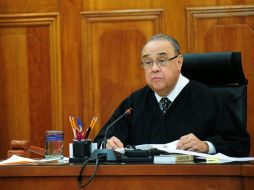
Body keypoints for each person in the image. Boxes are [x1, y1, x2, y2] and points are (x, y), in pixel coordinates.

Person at [94, 34, 250, 157]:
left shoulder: (209, 99)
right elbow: (101, 140)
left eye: (162, 60)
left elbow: (239, 144)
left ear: (179, 62)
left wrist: (206, 146)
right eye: (147, 62)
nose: (154, 68)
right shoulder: (134, 103)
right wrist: (107, 145)